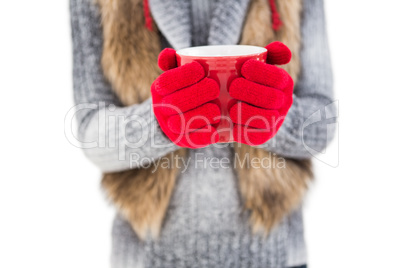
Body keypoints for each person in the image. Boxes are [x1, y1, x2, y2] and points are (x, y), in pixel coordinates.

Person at [70, 0, 335, 267]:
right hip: (146, 256)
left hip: (276, 253)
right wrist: (158, 124)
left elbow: (322, 123)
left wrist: (277, 115)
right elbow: (91, 132)